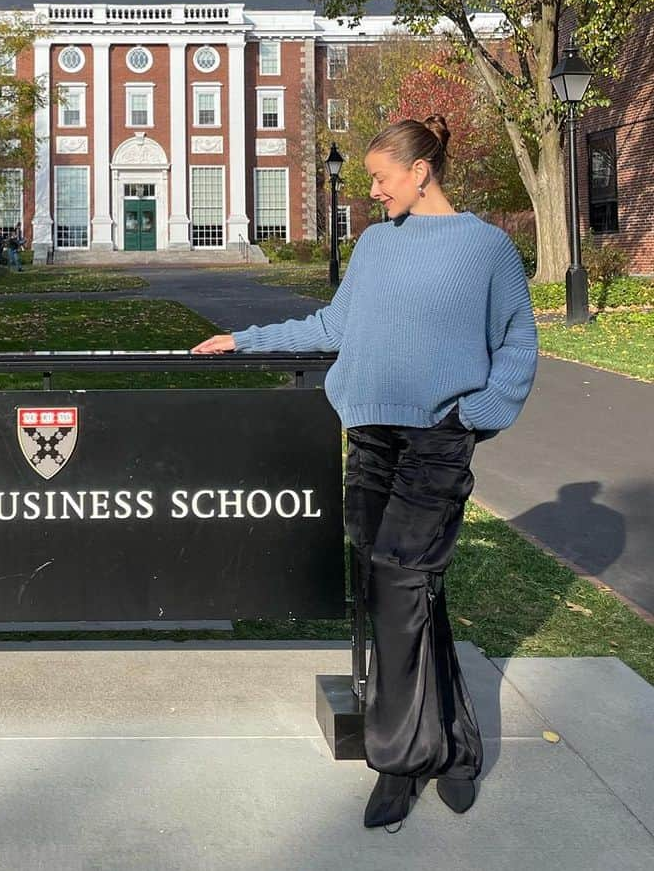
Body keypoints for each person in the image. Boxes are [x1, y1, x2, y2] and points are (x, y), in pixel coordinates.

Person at [190, 114, 538, 831]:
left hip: (440, 437)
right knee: (405, 592)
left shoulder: (487, 248)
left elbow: (517, 342)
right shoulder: (378, 245)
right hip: (372, 437)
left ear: (421, 171)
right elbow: (332, 327)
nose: (372, 191)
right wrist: (245, 338)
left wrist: (480, 410)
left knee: (398, 579)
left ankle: (400, 759)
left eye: (380, 177)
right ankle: (458, 746)